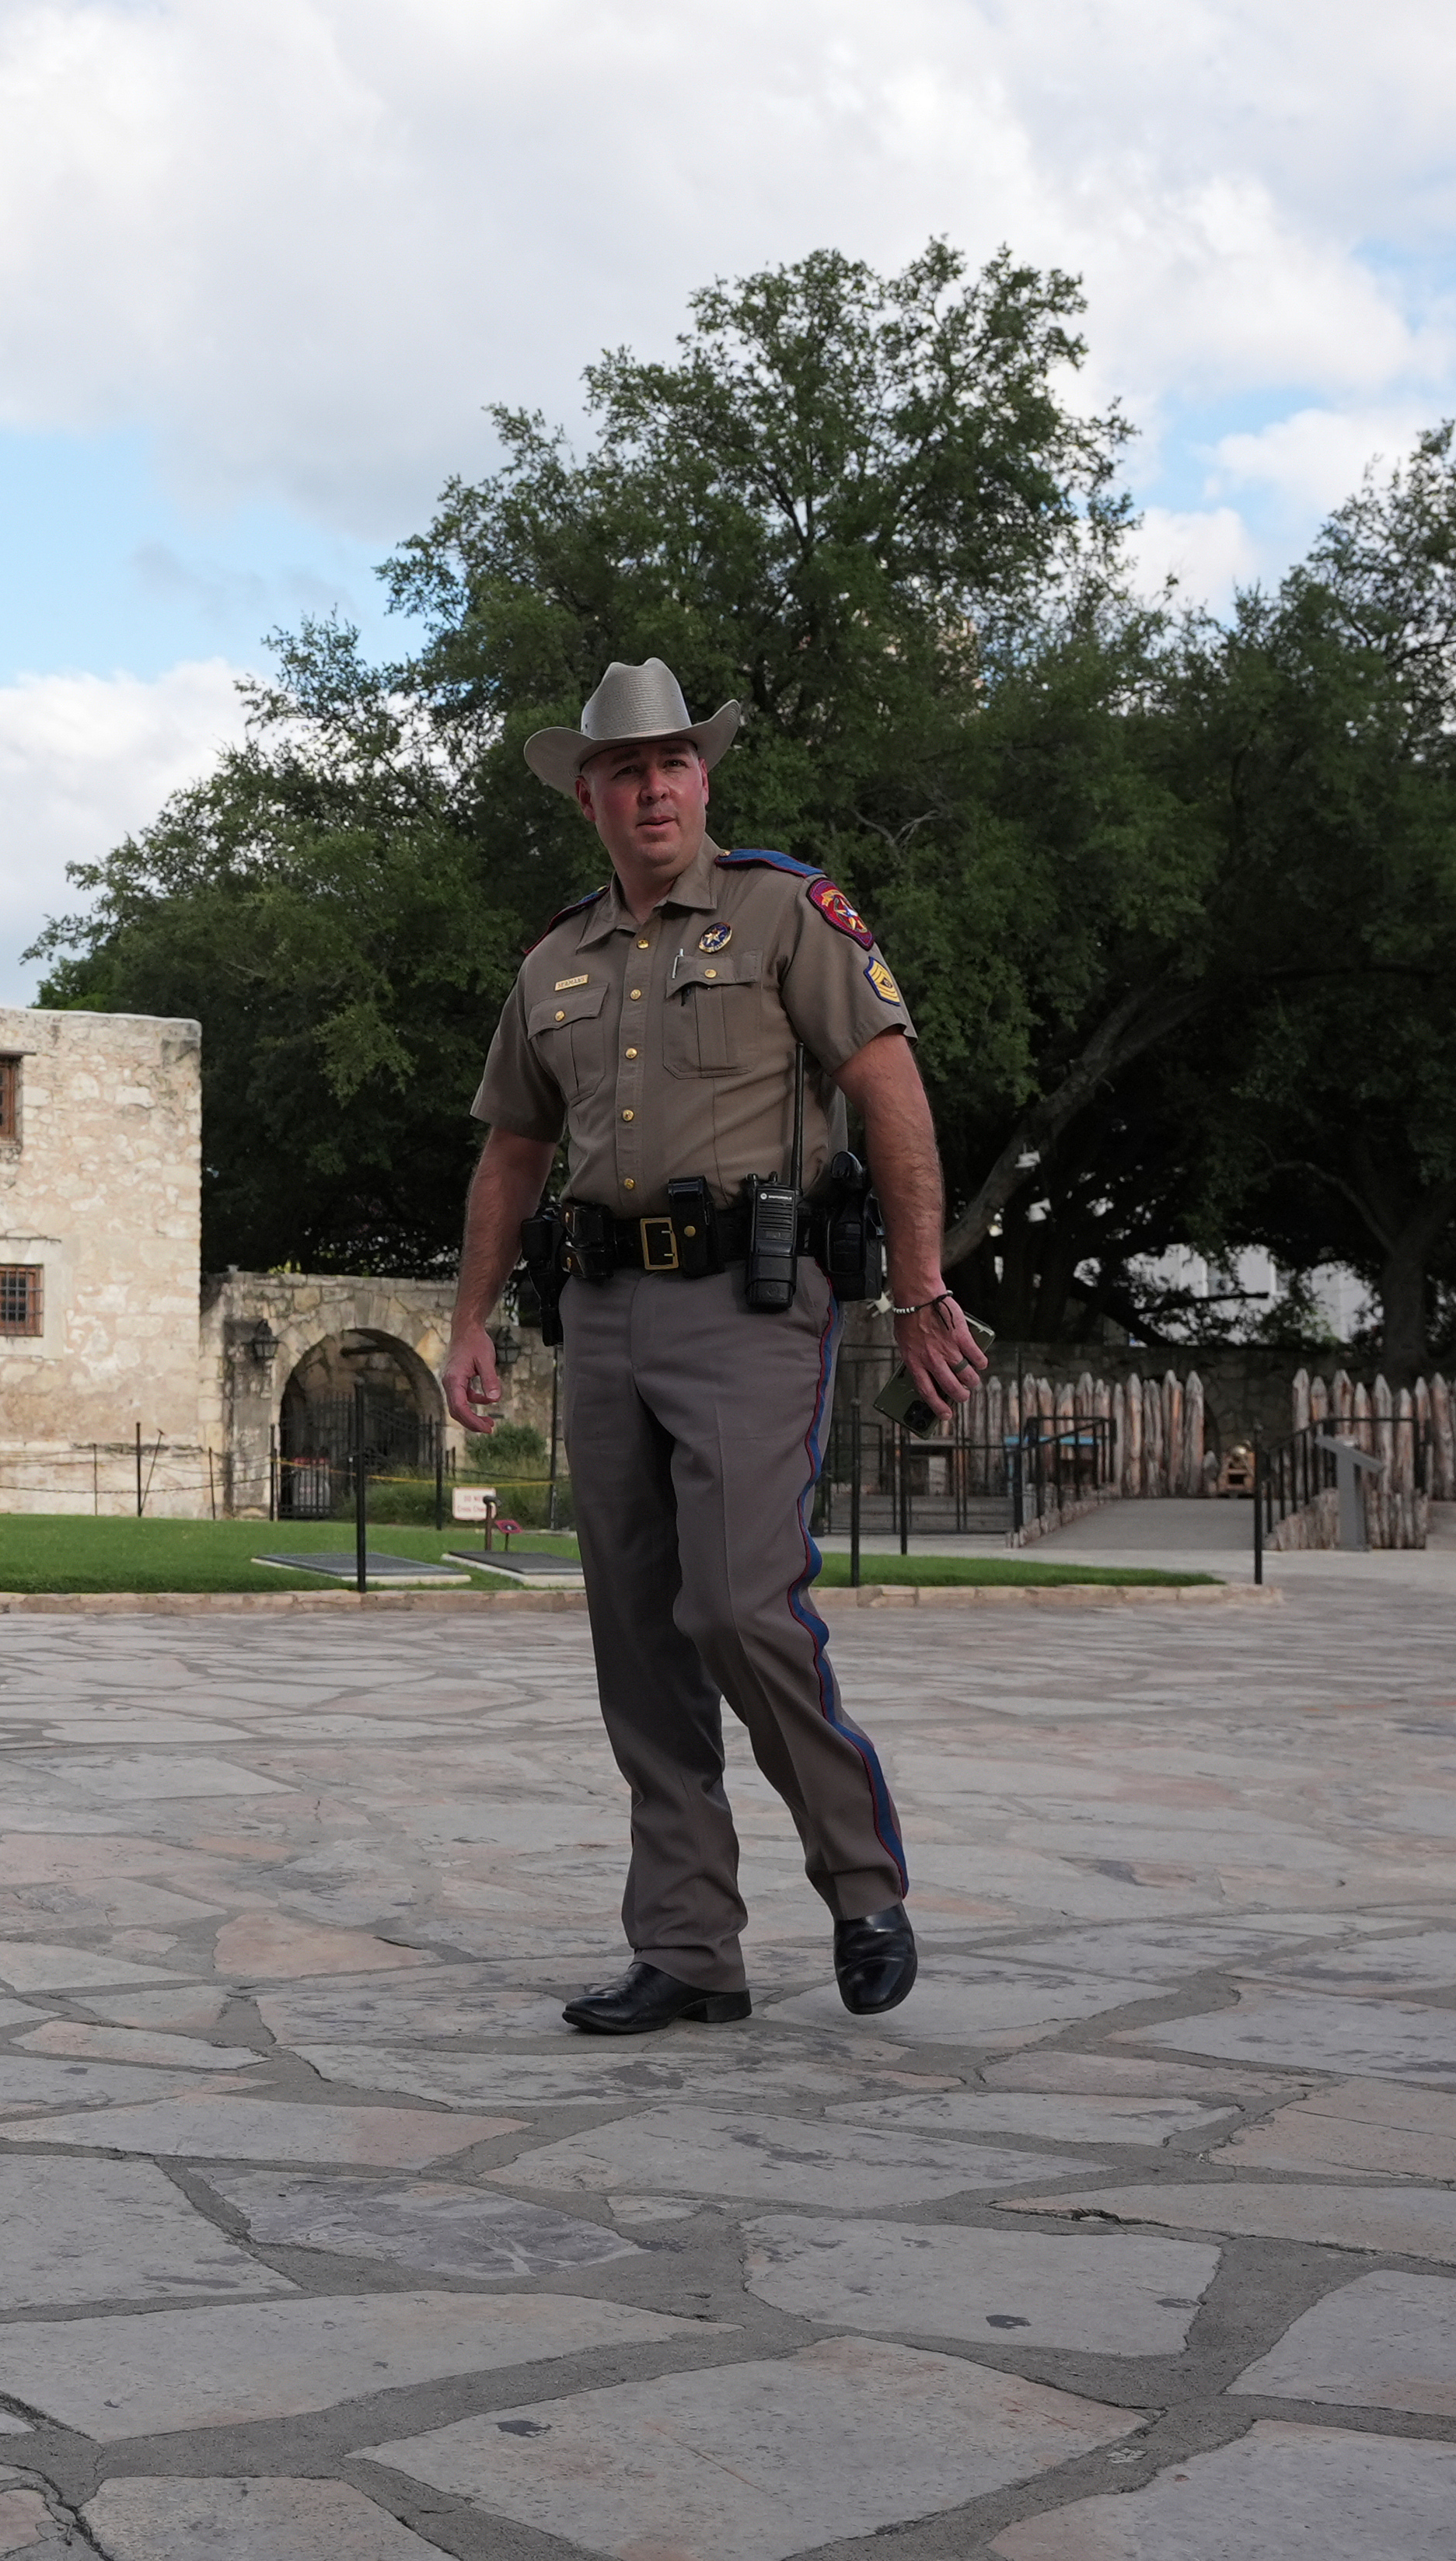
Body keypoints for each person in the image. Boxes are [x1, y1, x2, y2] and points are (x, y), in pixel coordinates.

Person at [442, 660, 990, 2035]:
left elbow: (888, 1091)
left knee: (739, 1605)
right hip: (606, 1315)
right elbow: (511, 1151)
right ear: (589, 797)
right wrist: (467, 1319)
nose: (654, 788)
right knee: (636, 1640)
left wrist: (921, 1285)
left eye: (674, 763)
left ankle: (859, 1881)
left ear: (704, 778)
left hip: (751, 1306)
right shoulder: (550, 962)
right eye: (626, 771)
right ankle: (687, 1946)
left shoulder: (784, 913)